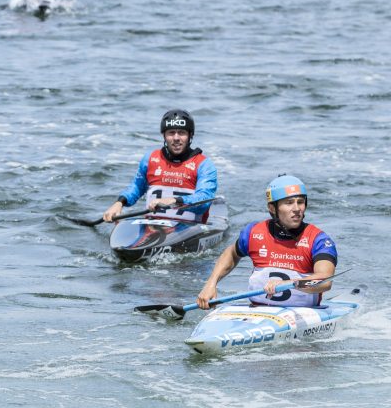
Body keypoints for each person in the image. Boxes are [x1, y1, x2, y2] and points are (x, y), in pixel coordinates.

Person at [196, 174, 337, 310]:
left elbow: (325, 280)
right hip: (258, 311)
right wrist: (211, 284)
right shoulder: (254, 232)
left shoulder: (319, 240)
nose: (297, 209)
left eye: (300, 202)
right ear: (272, 208)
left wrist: (289, 284)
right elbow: (232, 253)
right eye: (289, 203)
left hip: (303, 313)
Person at [102, 109, 218, 224]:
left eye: (181, 133)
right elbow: (137, 187)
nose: (176, 138)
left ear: (190, 135)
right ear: (164, 135)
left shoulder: (204, 164)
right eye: (171, 133)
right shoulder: (150, 159)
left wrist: (174, 201)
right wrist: (120, 202)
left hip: (190, 229)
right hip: (152, 226)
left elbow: (204, 200)